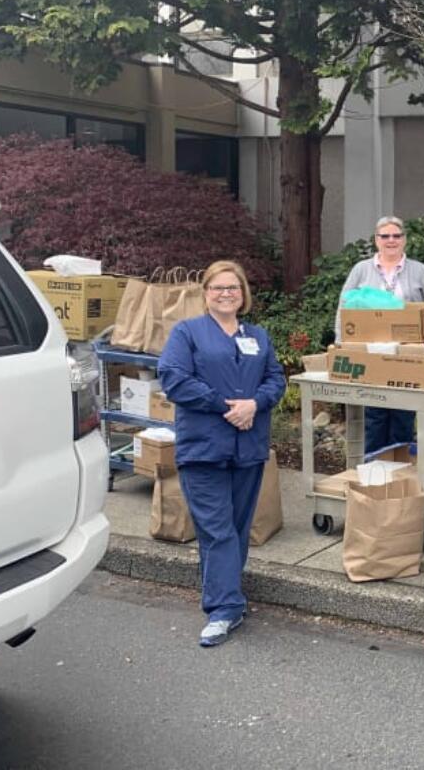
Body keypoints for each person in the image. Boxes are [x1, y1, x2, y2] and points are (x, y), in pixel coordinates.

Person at [158, 260, 285, 647]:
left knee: (237, 529)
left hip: (248, 448)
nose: (226, 293)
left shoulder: (258, 336)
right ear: (206, 294)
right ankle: (224, 608)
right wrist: (224, 406)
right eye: (218, 288)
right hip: (204, 448)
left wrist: (254, 404)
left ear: (243, 294)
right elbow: (174, 378)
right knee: (217, 529)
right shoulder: (188, 333)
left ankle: (221, 593)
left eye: (233, 288)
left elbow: (275, 379)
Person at [336, 216, 424, 453]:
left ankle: (401, 475)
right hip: (371, 355)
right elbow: (344, 307)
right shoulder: (361, 270)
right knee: (374, 416)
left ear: (404, 240)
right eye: (385, 236)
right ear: (376, 240)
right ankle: (373, 474)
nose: (391, 240)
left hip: (407, 355)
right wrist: (341, 342)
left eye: (396, 236)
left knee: (404, 415)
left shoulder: (418, 270)